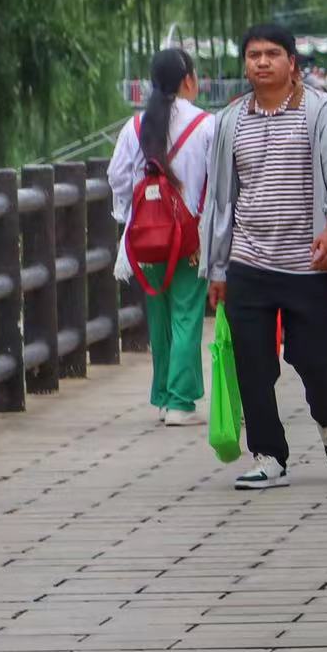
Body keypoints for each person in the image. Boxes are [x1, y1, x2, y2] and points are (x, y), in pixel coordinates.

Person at [199, 23, 327, 492]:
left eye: (273, 53)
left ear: (293, 62)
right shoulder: (230, 121)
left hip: (307, 263)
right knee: (253, 363)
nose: (262, 62)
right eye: (254, 55)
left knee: (315, 361)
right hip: (249, 262)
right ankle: (269, 455)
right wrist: (217, 268)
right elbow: (220, 201)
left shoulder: (318, 110)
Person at [107, 47, 216, 427]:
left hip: (146, 238)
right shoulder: (205, 124)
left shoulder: (135, 126)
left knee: (160, 317)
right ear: (188, 79)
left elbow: (117, 177)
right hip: (189, 237)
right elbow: (218, 184)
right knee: (187, 314)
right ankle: (181, 403)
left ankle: (164, 396)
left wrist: (132, 215)